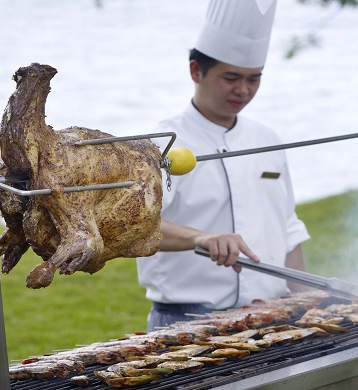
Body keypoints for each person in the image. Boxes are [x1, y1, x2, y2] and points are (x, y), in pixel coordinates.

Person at [137, 0, 310, 331]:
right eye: (231, 78)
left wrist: (308, 302)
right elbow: (140, 227)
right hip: (188, 320)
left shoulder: (268, 139)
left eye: (254, 79)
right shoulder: (160, 144)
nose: (243, 90)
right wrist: (200, 238)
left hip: (273, 316)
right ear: (195, 71)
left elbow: (287, 227)